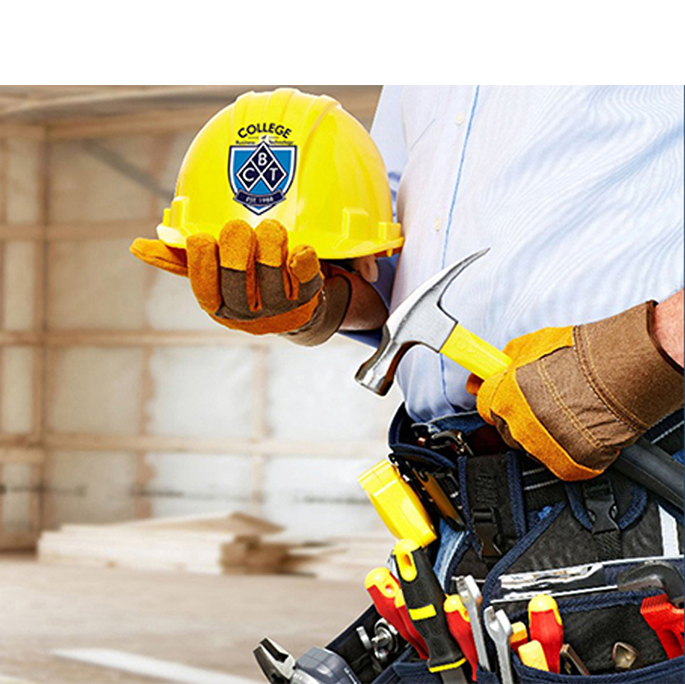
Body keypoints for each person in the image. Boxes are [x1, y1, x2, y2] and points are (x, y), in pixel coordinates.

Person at [133, 86, 684, 680]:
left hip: (644, 471)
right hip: (460, 507)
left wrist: (652, 346)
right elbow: (393, 259)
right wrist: (319, 300)